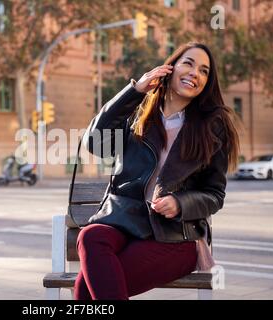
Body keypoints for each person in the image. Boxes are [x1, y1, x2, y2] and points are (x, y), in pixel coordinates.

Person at [76, 42, 240, 300]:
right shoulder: (138, 116)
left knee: (87, 290)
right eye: (188, 63)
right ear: (170, 68)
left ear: (207, 83)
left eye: (204, 71)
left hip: (176, 236)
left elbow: (214, 194)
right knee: (90, 236)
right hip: (125, 222)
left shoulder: (213, 126)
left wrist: (180, 203)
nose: (195, 73)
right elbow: (95, 143)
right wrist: (134, 91)